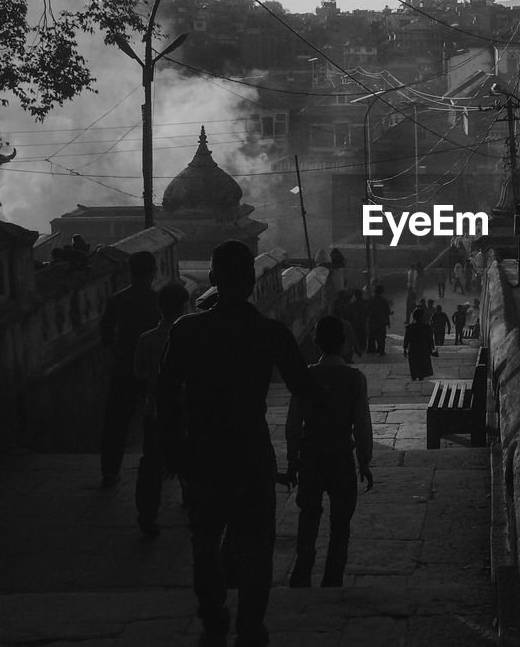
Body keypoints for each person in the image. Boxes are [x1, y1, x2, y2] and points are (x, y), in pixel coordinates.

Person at [157, 240, 323, 647]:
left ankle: (213, 616)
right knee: (256, 546)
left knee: (205, 540)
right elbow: (304, 387)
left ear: (213, 280)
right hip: (250, 450)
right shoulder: (270, 333)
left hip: (202, 452)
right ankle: (251, 623)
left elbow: (164, 394)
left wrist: (173, 449)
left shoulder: (187, 330)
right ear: (251, 281)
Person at [285, 316, 374, 588]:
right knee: (340, 522)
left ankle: (302, 572)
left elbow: (292, 424)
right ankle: (332, 578)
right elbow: (362, 425)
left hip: (311, 457)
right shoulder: (355, 378)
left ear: (316, 342)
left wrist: (292, 460)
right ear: (344, 342)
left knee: (308, 516)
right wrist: (364, 461)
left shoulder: (307, 376)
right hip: (341, 457)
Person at [98, 250, 160, 488]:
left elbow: (105, 332)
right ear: (153, 271)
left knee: (116, 421)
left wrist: (117, 353)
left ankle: (110, 470)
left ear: (130, 272)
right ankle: (157, 462)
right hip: (153, 366)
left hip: (124, 364)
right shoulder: (157, 299)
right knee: (156, 418)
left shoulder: (117, 299)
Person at [131, 281, 189, 537]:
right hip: (186, 410)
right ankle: (192, 500)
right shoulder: (190, 337)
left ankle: (146, 514)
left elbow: (140, 375)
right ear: (184, 306)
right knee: (191, 457)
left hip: (155, 410)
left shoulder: (146, 340)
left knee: (151, 463)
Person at [403, 308, 435, 381]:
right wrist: (432, 348)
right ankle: (420, 378)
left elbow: (406, 339)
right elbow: (430, 339)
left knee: (413, 365)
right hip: (423, 349)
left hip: (413, 350)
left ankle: (414, 378)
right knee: (422, 367)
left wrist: (405, 349)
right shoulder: (426, 327)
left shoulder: (410, 327)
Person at [365, 285, 391, 355]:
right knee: (381, 338)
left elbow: (366, 310)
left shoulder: (371, 300)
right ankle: (381, 350)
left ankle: (371, 350)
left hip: (372, 321)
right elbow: (387, 312)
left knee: (371, 337)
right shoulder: (384, 301)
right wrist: (388, 322)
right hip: (381, 322)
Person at [347, 289, 368, 356]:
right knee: (363, 335)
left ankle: (359, 347)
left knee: (357, 335)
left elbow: (350, 315)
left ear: (355, 296)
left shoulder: (352, 304)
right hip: (363, 322)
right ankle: (363, 347)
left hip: (356, 323)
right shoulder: (366, 302)